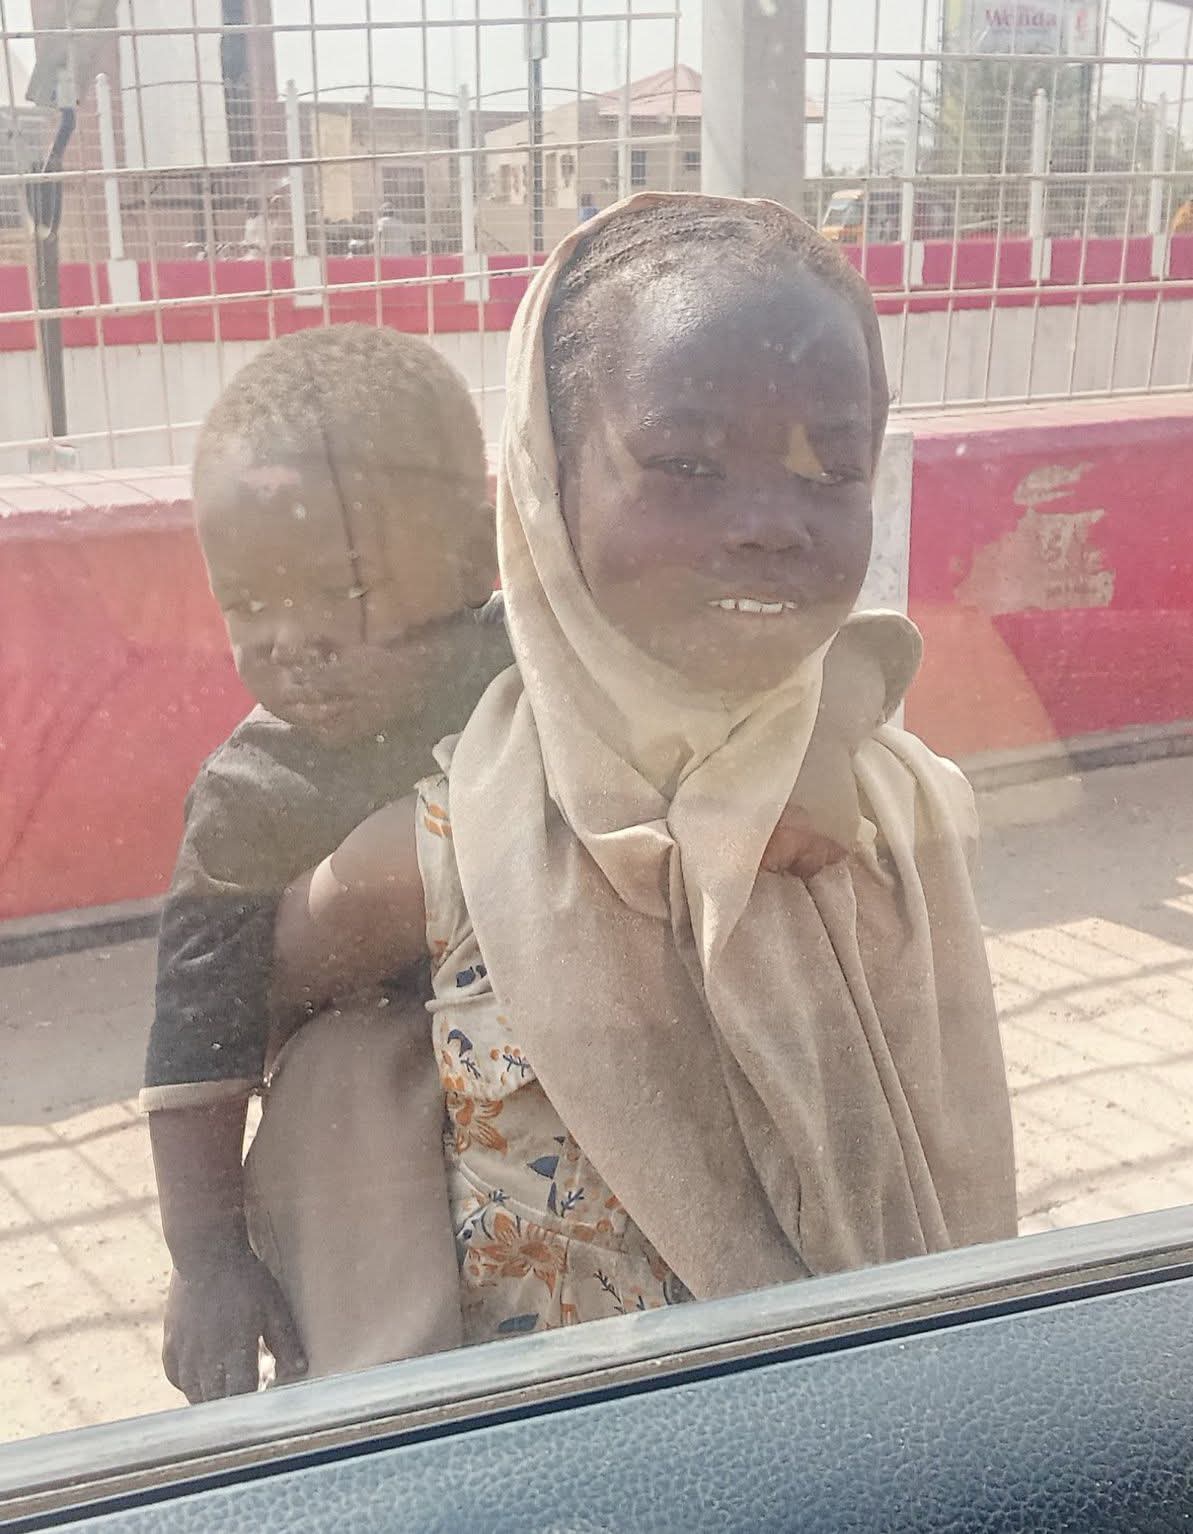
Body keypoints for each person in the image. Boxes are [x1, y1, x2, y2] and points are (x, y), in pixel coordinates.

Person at [273, 193, 1018, 1343]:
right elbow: (255, 989)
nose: (771, 522)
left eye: (834, 469)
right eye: (683, 464)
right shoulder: (446, 851)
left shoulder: (893, 806)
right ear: (543, 478)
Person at [143, 324, 511, 1399]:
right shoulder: (249, 797)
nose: (288, 640)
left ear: (474, 555)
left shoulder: (526, 669)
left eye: (340, 589)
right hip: (375, 1164)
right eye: (247, 605)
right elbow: (194, 1052)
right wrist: (208, 1261)